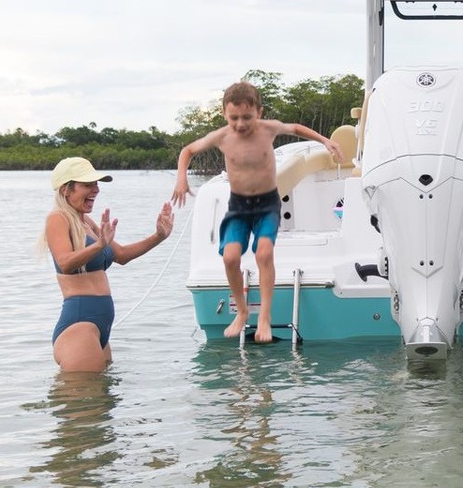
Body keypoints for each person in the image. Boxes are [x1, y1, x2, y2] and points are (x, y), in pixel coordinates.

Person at [171, 80, 343, 344]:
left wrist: (325, 141)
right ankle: (242, 312)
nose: (240, 124)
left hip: (267, 204)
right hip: (239, 206)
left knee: (263, 253)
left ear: (259, 112)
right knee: (230, 258)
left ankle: (264, 316)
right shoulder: (222, 137)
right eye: (234, 118)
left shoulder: (268, 129)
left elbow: (296, 128)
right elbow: (188, 150)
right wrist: (181, 178)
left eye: (247, 117)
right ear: (224, 114)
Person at [44, 156, 174, 373]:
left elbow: (121, 255)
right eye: (88, 185)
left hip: (99, 326)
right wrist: (99, 245)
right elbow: (64, 262)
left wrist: (158, 236)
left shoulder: (85, 221)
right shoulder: (58, 218)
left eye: (96, 184)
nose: (96, 190)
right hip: (80, 326)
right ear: (66, 189)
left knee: (103, 393)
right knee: (84, 394)